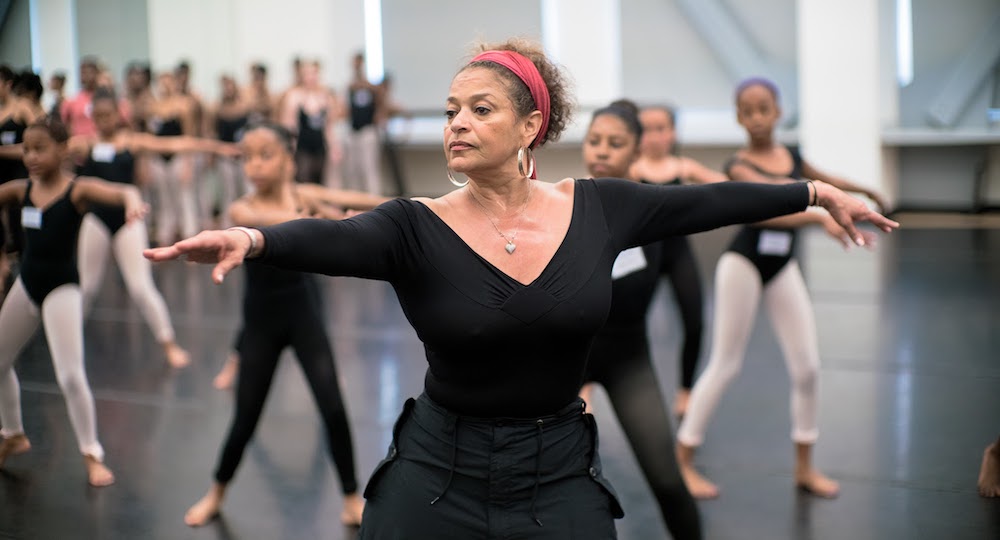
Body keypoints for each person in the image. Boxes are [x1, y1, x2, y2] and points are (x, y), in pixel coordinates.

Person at [146, 39, 897, 539]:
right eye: (449, 112)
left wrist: (815, 189)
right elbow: (334, 237)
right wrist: (251, 238)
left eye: (480, 109)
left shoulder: (599, 207)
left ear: (530, 125)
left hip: (558, 468)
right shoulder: (414, 226)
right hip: (438, 468)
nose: (457, 125)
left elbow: (705, 203)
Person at [676, 77, 891, 500]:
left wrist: (862, 190)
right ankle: (681, 460)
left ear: (778, 111)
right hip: (743, 265)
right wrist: (817, 218)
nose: (757, 117)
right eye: (749, 110)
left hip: (781, 267)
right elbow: (768, 210)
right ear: (739, 117)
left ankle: (804, 468)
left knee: (808, 367)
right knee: (725, 364)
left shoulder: (791, 155)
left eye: (764, 108)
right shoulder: (738, 166)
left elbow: (823, 180)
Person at [182, 122, 388, 528]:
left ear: (288, 160)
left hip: (303, 315)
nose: (254, 165)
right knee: (245, 417)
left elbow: (352, 197)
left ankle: (350, 496)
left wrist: (405, 207)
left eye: (265, 155)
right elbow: (277, 220)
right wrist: (330, 220)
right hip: (261, 323)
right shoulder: (242, 208)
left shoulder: (304, 196)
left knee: (332, 405)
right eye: (247, 157)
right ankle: (215, 493)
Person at [578, 100, 703, 539]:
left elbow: (724, 199)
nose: (602, 151)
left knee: (668, 480)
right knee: (550, 482)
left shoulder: (654, 213)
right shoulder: (564, 208)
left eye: (615, 143)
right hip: (563, 362)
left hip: (629, 359)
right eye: (594, 141)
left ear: (636, 151)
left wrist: (812, 200)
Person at [0, 116, 146, 487]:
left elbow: (120, 191)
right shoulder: (20, 189)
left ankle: (91, 453)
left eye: (40, 149)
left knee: (69, 375)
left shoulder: (77, 191)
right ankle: (13, 433)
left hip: (62, 289)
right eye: (27, 149)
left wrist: (132, 203)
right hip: (28, 284)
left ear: (63, 151)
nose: (31, 157)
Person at [69, 88, 236, 368]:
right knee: (85, 288)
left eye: (107, 115)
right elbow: (41, 149)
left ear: (118, 115)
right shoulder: (83, 144)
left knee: (141, 287)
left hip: (129, 219)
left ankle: (169, 345)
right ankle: (69, 346)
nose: (102, 121)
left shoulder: (132, 141)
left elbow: (178, 144)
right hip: (95, 220)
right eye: (97, 116)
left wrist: (219, 148)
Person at [582, 103, 727, 418]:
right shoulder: (631, 169)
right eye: (646, 130)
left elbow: (722, 190)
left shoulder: (682, 167)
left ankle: (686, 389)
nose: (654, 137)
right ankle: (587, 382)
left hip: (674, 252)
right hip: (641, 253)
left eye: (661, 129)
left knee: (694, 317)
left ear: (672, 133)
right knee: (610, 315)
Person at [0, 65, 42, 291]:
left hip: (20, 172)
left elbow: (39, 141)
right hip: (2, 173)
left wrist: (5, 151)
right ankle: (3, 266)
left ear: (7, 84)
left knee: (19, 222)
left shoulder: (22, 108)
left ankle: (28, 265)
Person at [147, 71, 200, 246]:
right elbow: (150, 136)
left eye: (168, 81)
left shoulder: (184, 105)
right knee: (164, 199)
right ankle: (165, 235)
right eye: (162, 81)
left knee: (184, 197)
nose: (165, 85)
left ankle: (190, 236)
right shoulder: (154, 106)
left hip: (178, 157)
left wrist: (188, 163)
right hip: (159, 159)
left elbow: (189, 135)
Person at [279, 60, 341, 185]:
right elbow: (289, 126)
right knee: (304, 180)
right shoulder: (294, 96)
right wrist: (288, 152)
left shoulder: (325, 96)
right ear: (301, 76)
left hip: (319, 146)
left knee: (320, 181)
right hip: (302, 148)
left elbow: (328, 127)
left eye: (314, 73)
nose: (311, 77)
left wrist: (334, 147)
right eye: (307, 74)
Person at [346, 52, 383, 194]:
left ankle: (374, 200)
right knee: (353, 169)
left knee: (369, 168)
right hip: (354, 131)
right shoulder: (350, 87)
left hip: (368, 130)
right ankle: (356, 201)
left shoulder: (372, 88)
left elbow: (381, 105)